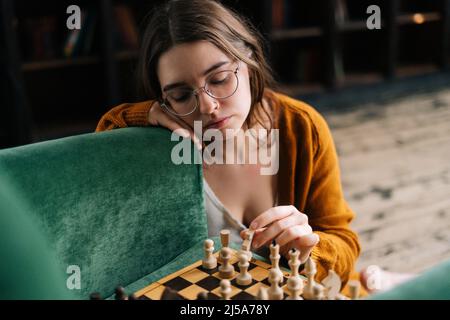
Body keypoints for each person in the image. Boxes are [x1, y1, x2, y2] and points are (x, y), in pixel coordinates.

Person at [95, 0, 409, 294]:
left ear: (250, 62)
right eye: (180, 95)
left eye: (219, 79)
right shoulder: (161, 139)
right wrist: (143, 112)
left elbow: (344, 245)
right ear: (162, 100)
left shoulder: (301, 126)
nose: (208, 106)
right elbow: (102, 139)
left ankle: (382, 281)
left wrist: (312, 247)